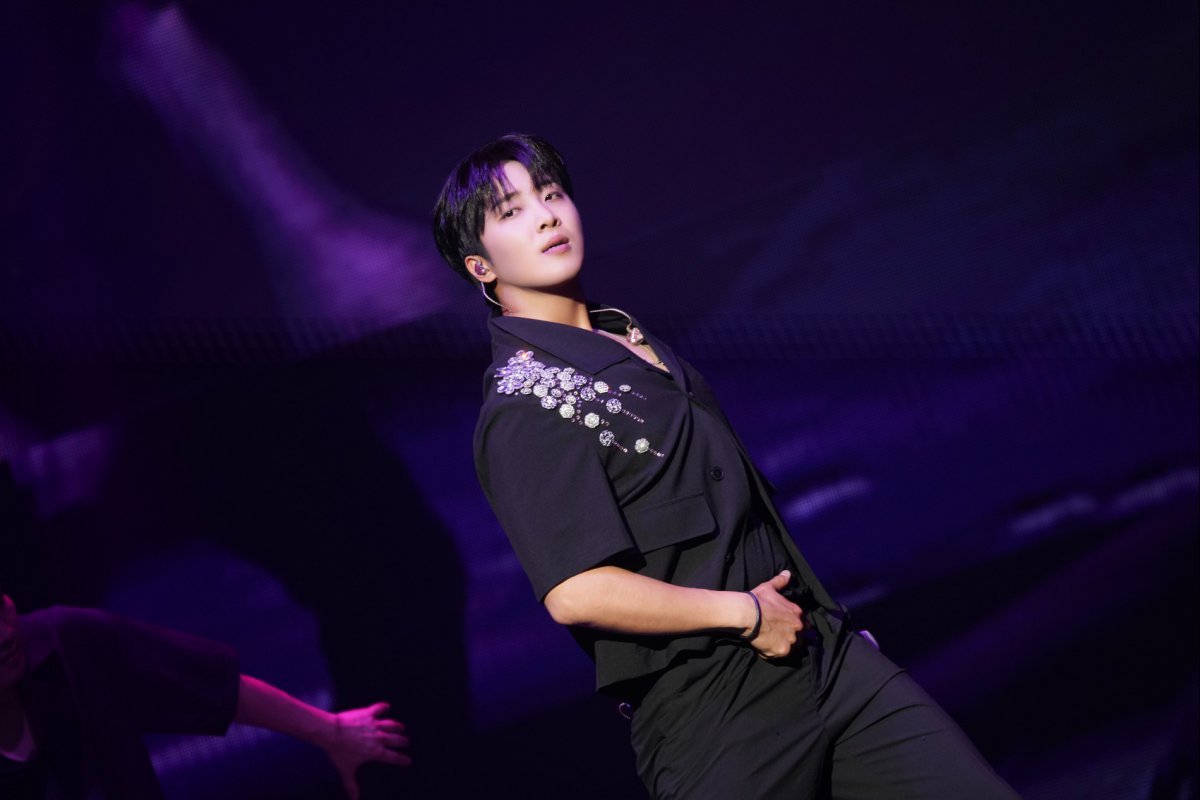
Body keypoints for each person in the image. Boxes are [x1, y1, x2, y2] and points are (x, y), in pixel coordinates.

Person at [432, 133, 1022, 799]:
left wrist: (827, 626)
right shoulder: (525, 403)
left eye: (552, 194)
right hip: (716, 712)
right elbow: (577, 592)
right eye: (513, 211)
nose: (546, 216)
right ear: (481, 266)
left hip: (827, 658)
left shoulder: (632, 340)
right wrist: (746, 614)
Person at [0, 591, 409, 799]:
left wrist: (332, 731)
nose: (4, 635)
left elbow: (214, 687)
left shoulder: (67, 641)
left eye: (0, 608)